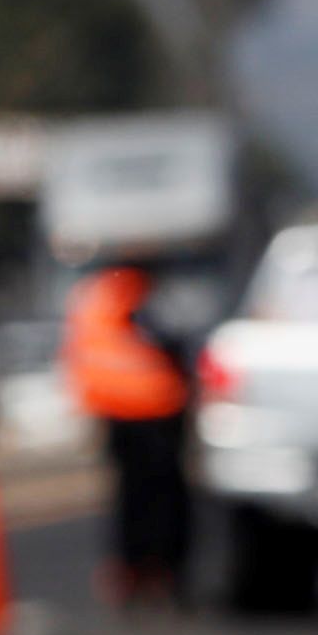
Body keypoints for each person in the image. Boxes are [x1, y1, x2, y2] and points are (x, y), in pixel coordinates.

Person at [61, 256, 196, 609]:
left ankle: (131, 571)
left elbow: (78, 353)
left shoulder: (91, 295)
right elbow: (171, 339)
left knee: (129, 499)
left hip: (114, 410)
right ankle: (162, 573)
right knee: (164, 499)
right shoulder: (142, 294)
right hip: (156, 408)